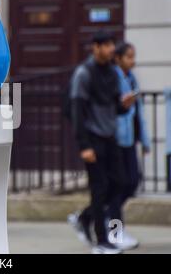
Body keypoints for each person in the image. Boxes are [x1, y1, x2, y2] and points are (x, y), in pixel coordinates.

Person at [67, 30, 136, 254]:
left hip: (110, 136)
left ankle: (83, 217)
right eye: (105, 45)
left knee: (120, 183)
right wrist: (84, 145)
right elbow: (77, 111)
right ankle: (101, 241)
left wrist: (123, 106)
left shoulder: (113, 74)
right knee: (100, 188)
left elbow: (114, 107)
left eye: (111, 45)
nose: (110, 50)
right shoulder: (84, 74)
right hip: (92, 137)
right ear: (95, 47)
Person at [112, 42, 150, 248]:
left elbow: (140, 113)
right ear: (118, 58)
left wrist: (144, 140)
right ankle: (115, 232)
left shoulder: (132, 78)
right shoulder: (112, 77)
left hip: (129, 140)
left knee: (133, 181)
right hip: (116, 140)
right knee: (119, 186)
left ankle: (87, 215)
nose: (132, 61)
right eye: (129, 57)